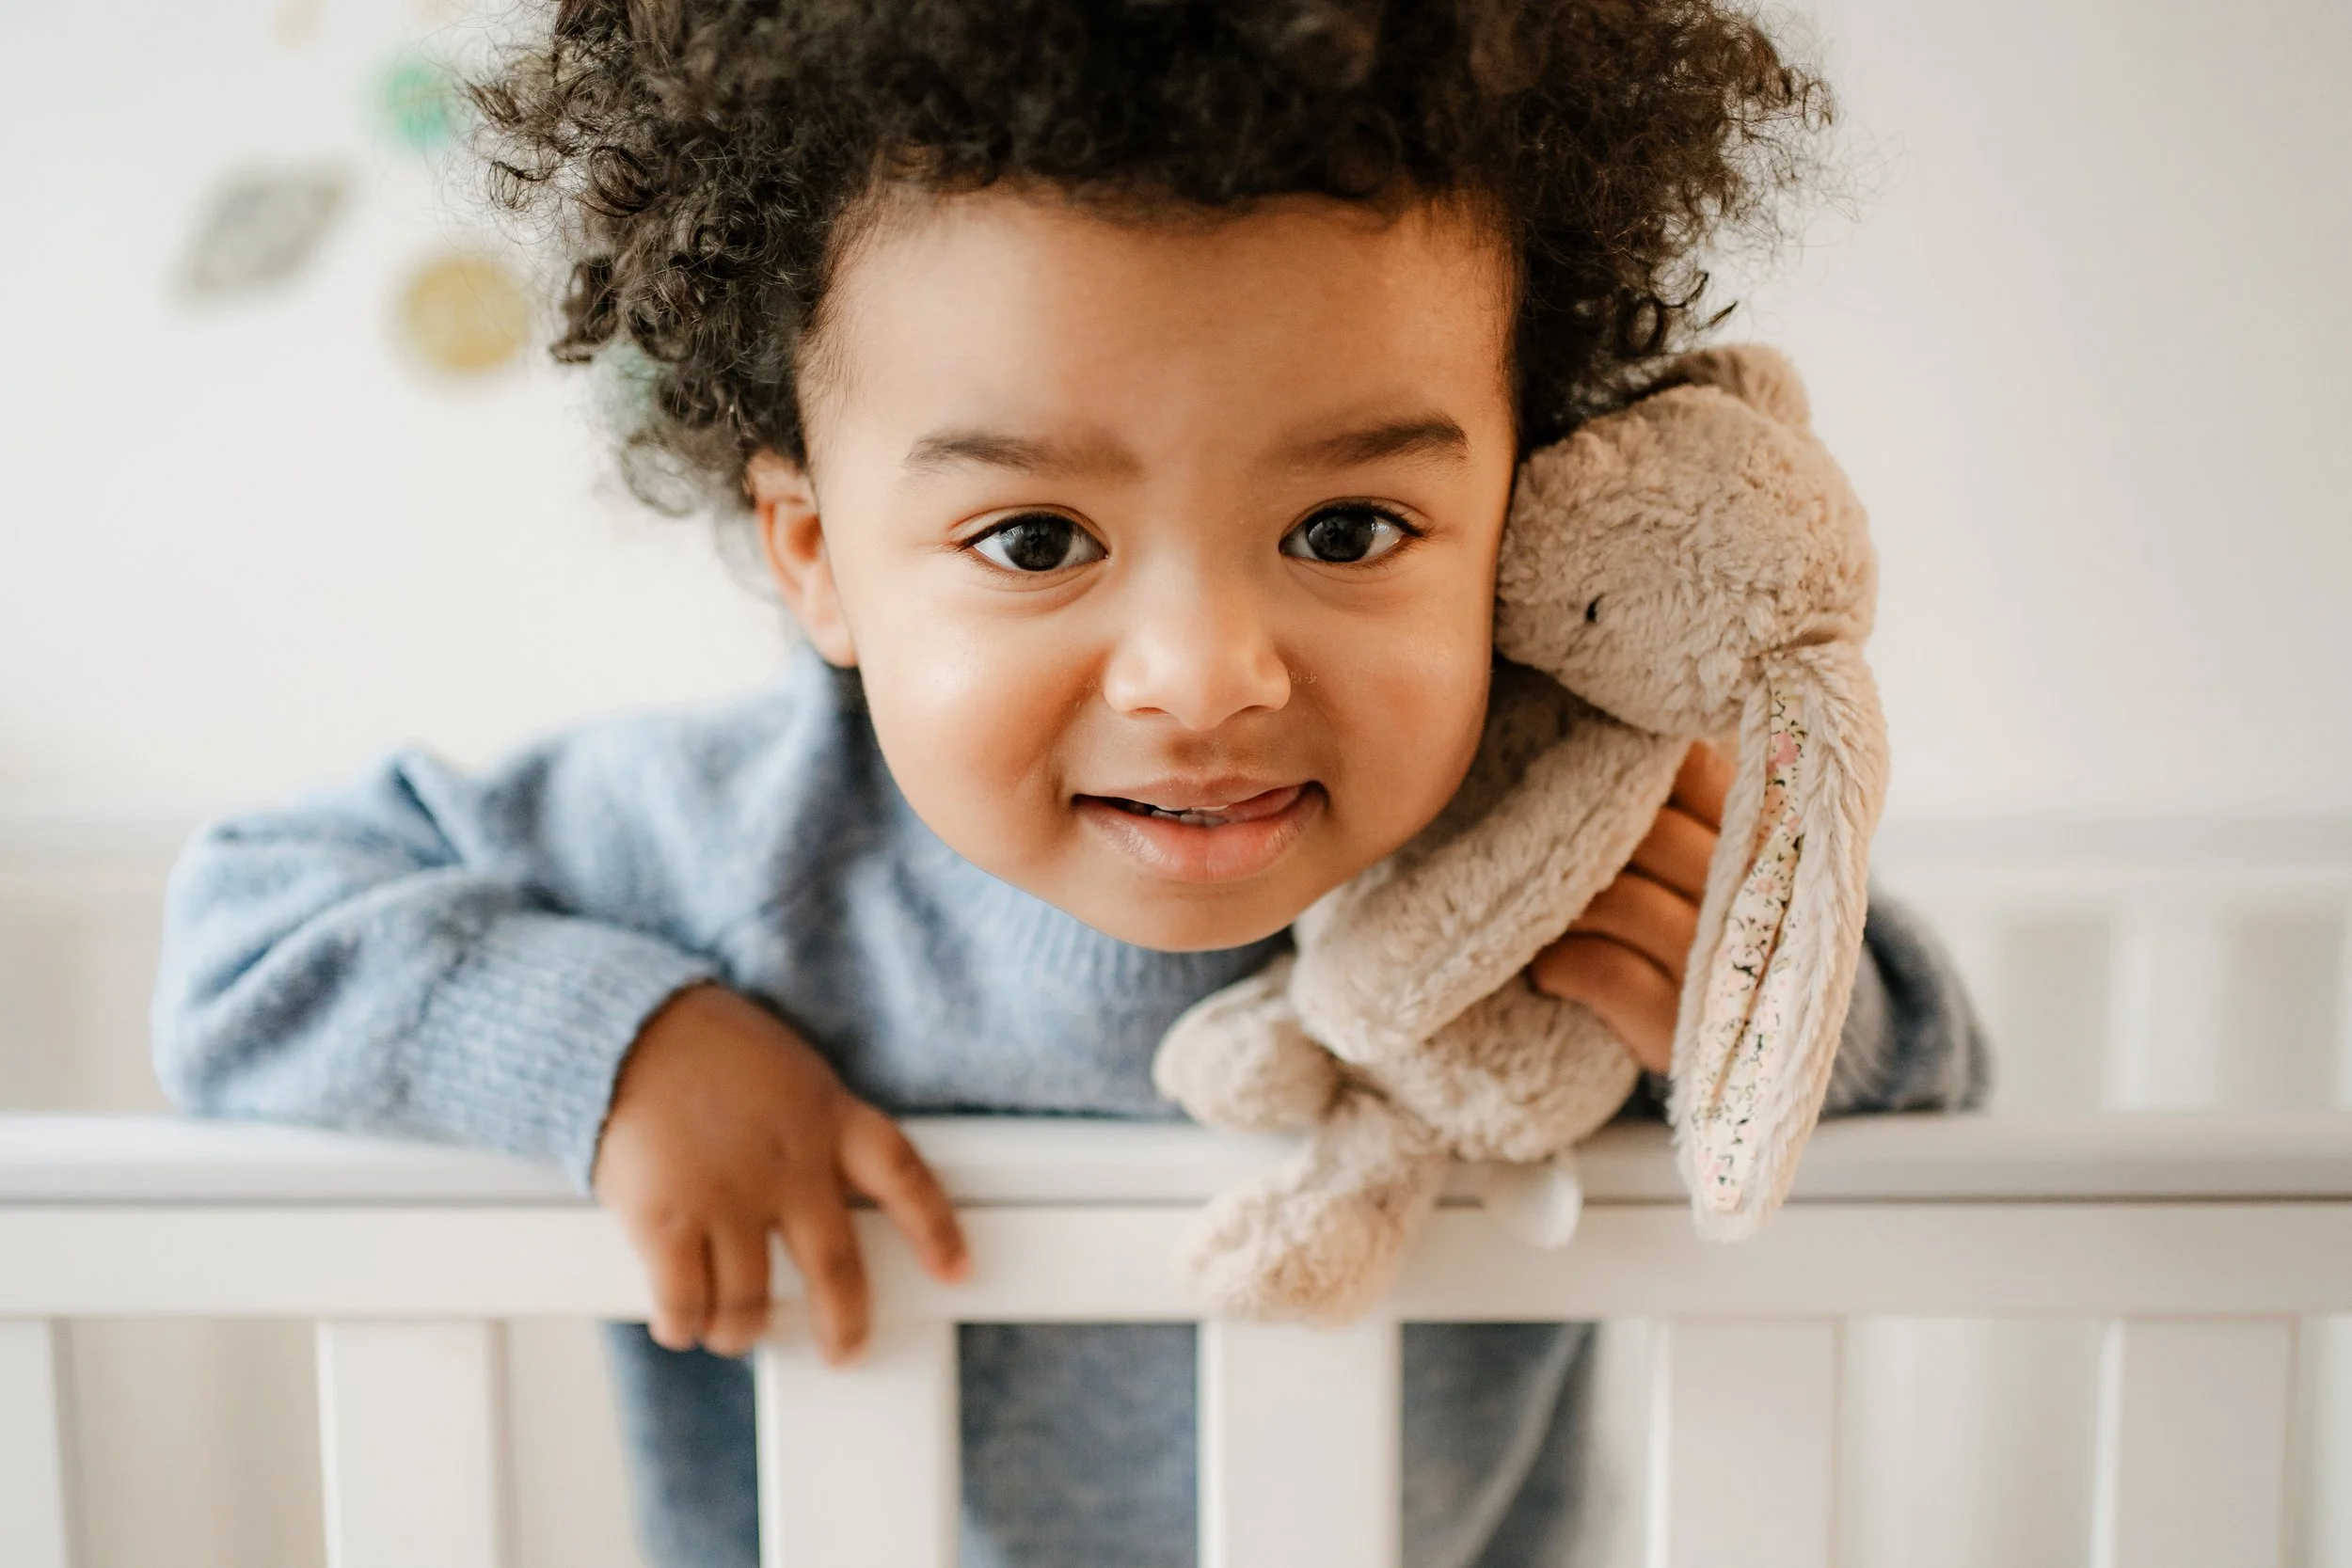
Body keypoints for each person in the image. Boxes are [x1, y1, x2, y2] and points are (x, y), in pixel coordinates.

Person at [151, 2, 1990, 1563]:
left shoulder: (1544, 834)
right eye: (1035, 536)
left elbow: (1937, 1053)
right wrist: (627, 1044)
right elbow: (243, 921)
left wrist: (1749, 1005)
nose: (1203, 675)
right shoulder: (726, 844)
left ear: (1526, 505)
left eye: (1346, 526)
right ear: (811, 550)